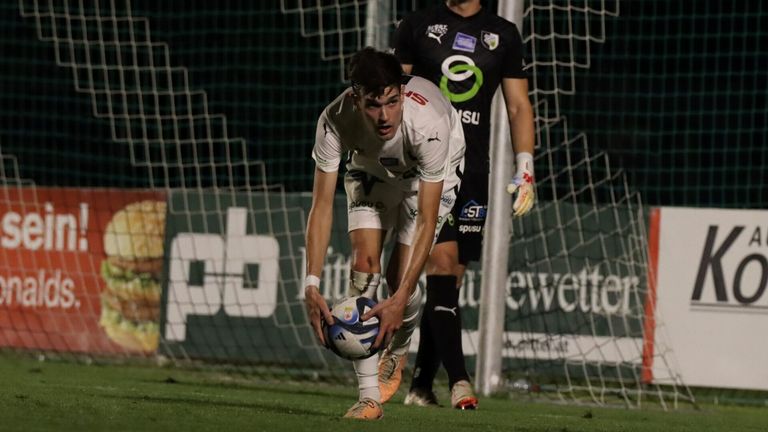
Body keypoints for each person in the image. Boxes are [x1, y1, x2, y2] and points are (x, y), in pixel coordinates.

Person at [384, 0, 536, 409]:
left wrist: (525, 166)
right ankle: (460, 381)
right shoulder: (417, 25)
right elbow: (395, 95)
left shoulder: (503, 33)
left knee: (450, 282)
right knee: (440, 266)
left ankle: (419, 386)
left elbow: (519, 105)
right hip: (428, 163)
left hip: (473, 171)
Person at [303, 46, 466, 420]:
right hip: (371, 169)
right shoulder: (334, 120)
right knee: (363, 269)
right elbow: (322, 205)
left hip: (427, 180)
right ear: (356, 97)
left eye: (393, 102)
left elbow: (426, 217)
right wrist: (310, 282)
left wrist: (403, 294)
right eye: (374, 105)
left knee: (398, 279)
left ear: (402, 93)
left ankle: (400, 345)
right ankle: (368, 398)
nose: (384, 115)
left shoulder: (429, 125)